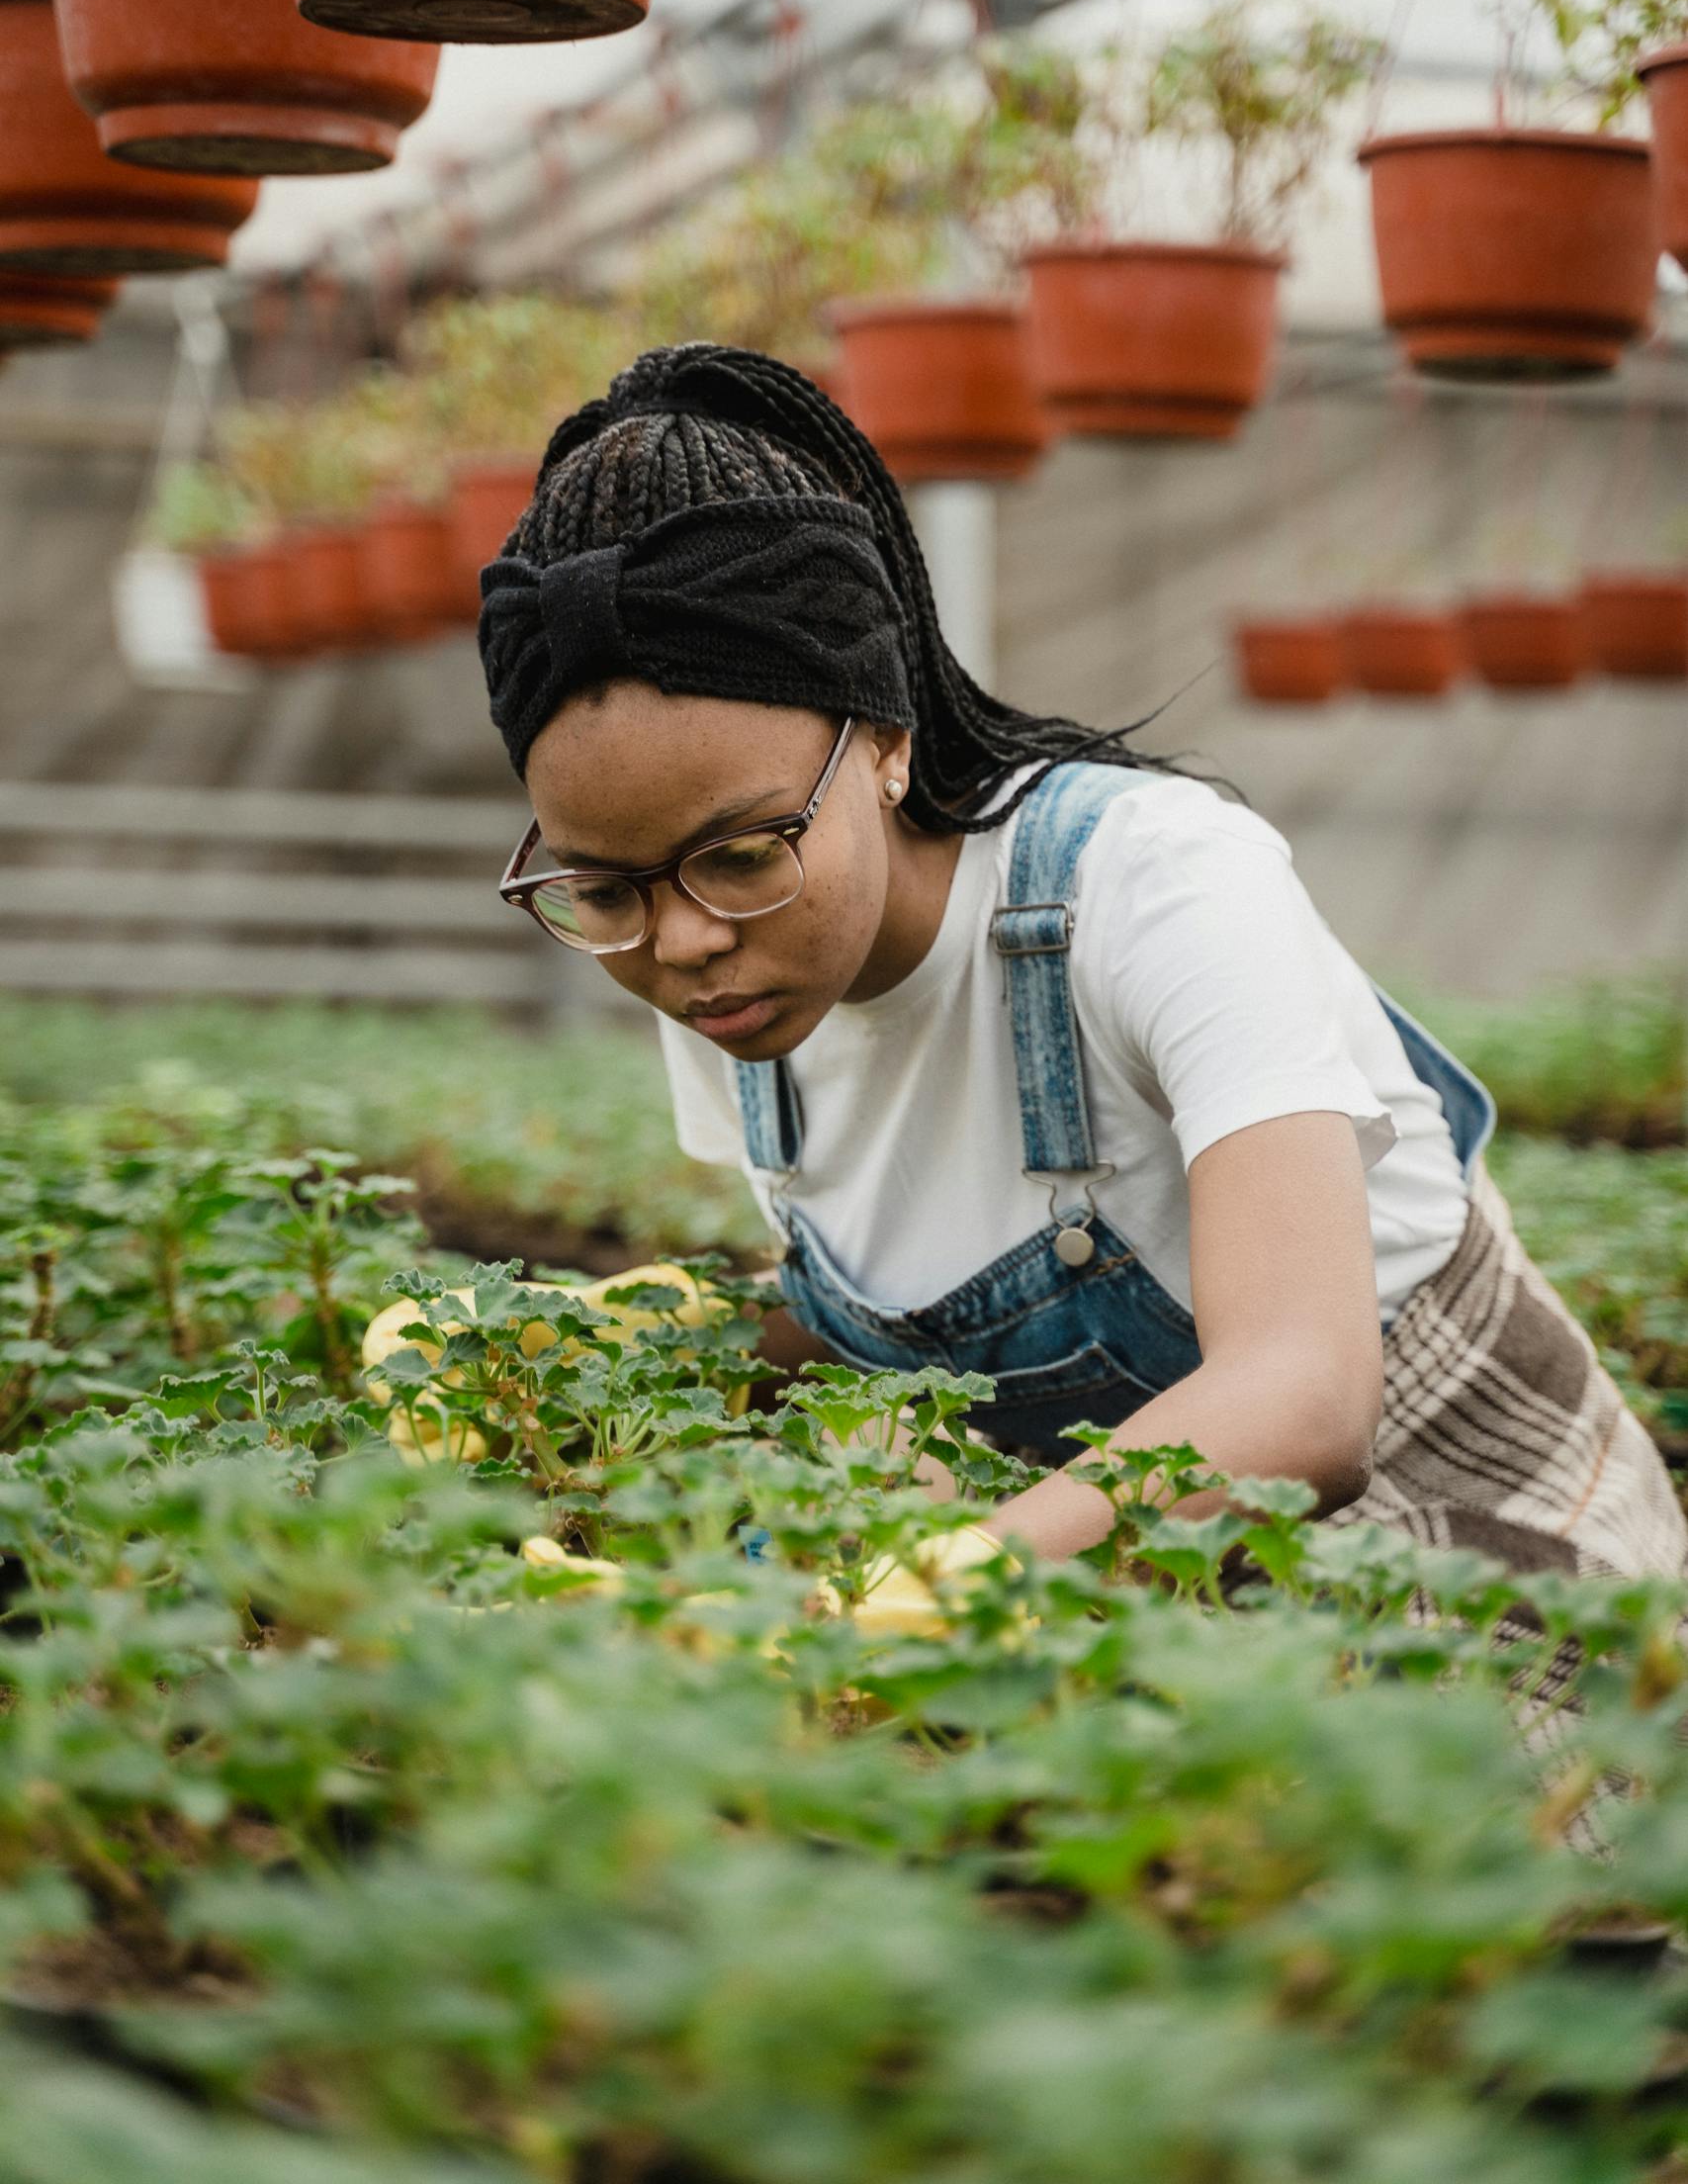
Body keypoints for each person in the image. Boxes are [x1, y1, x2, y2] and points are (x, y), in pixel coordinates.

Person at [478, 340, 1685, 1582]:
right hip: (1107, 1583)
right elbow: (909, 1280)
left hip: (1452, 1548)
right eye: (605, 888)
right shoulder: (729, 969)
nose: (680, 943)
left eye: (737, 854)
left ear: (885, 739)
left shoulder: (1151, 879)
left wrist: (957, 1585)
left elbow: (1306, 1391)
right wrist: (629, 1338)